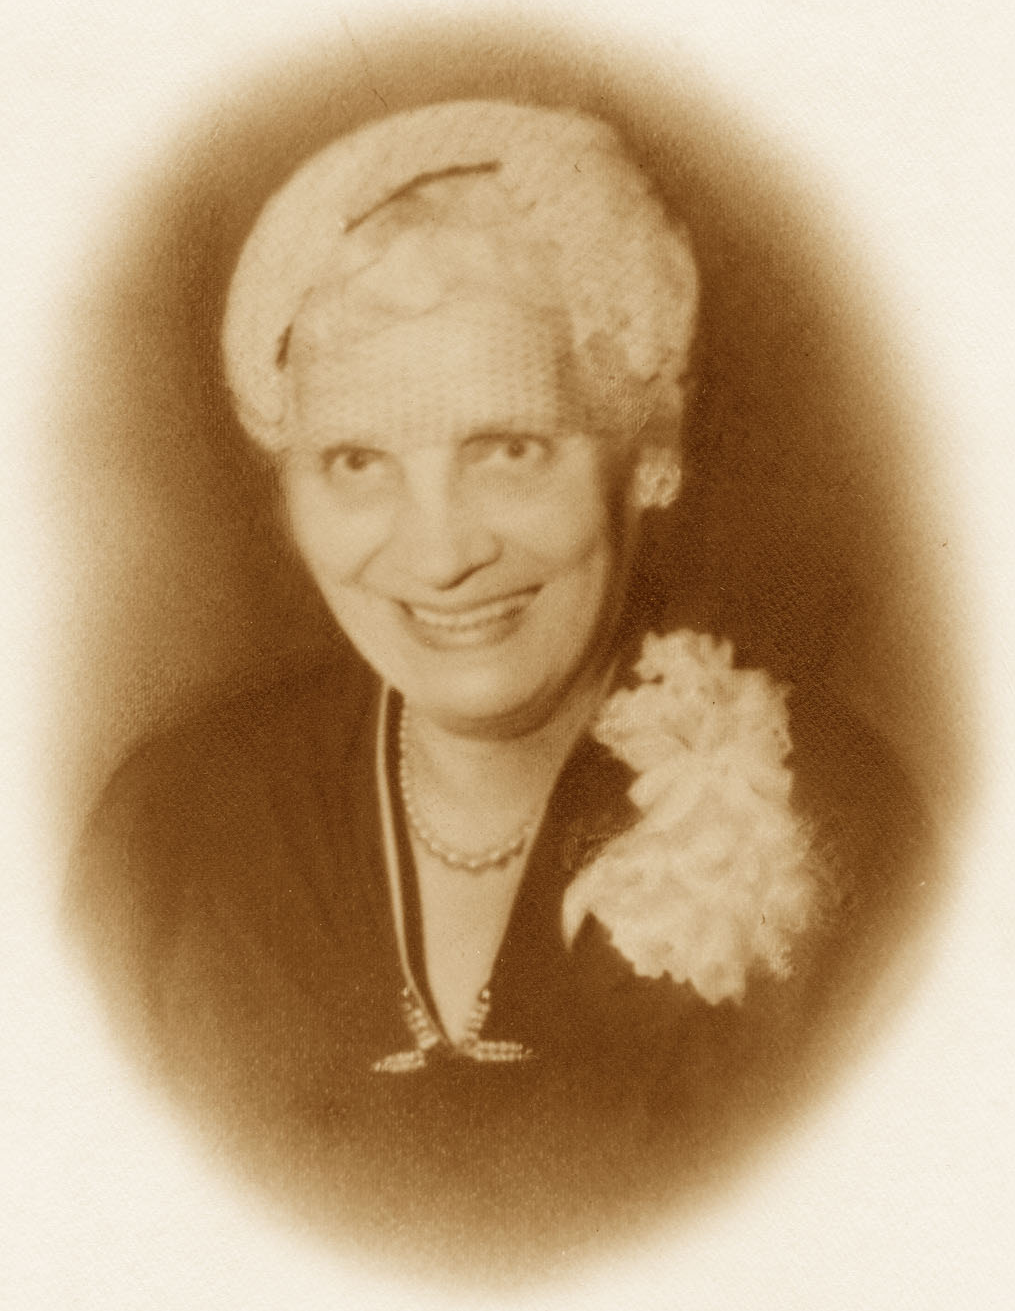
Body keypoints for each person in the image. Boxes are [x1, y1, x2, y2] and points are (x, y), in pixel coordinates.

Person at [67, 99, 930, 1274]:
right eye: (355, 461)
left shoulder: (843, 829)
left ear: (651, 453)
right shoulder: (166, 844)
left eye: (510, 448)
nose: (438, 555)